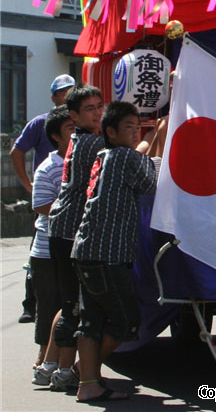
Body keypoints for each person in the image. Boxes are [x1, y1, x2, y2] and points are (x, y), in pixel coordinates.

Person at [72, 101, 156, 403]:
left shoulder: (105, 155)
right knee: (125, 321)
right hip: (107, 254)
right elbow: (150, 183)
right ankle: (86, 372)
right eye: (129, 128)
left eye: (138, 128)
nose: (135, 134)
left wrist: (149, 140)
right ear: (110, 131)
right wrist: (154, 139)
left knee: (91, 321)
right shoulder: (123, 157)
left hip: (87, 250)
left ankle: (87, 381)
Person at [46, 84, 104, 389]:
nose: (97, 113)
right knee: (74, 307)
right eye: (90, 109)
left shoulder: (81, 138)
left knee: (69, 304)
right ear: (74, 115)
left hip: (64, 227)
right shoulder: (93, 144)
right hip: (70, 231)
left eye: (99, 106)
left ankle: (53, 366)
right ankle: (64, 372)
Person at [10, 73, 76, 324]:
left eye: (72, 91)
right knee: (39, 254)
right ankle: (31, 304)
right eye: (64, 93)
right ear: (54, 97)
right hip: (48, 200)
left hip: (72, 203)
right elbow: (16, 152)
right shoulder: (41, 123)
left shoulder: (80, 123)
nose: (68, 97)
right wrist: (28, 185)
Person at [29, 106, 75, 386]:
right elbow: (40, 205)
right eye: (71, 128)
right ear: (57, 136)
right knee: (49, 306)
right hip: (47, 249)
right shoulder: (48, 167)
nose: (77, 132)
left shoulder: (82, 161)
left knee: (67, 305)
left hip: (71, 246)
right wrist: (73, 207)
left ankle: (57, 362)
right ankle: (43, 359)